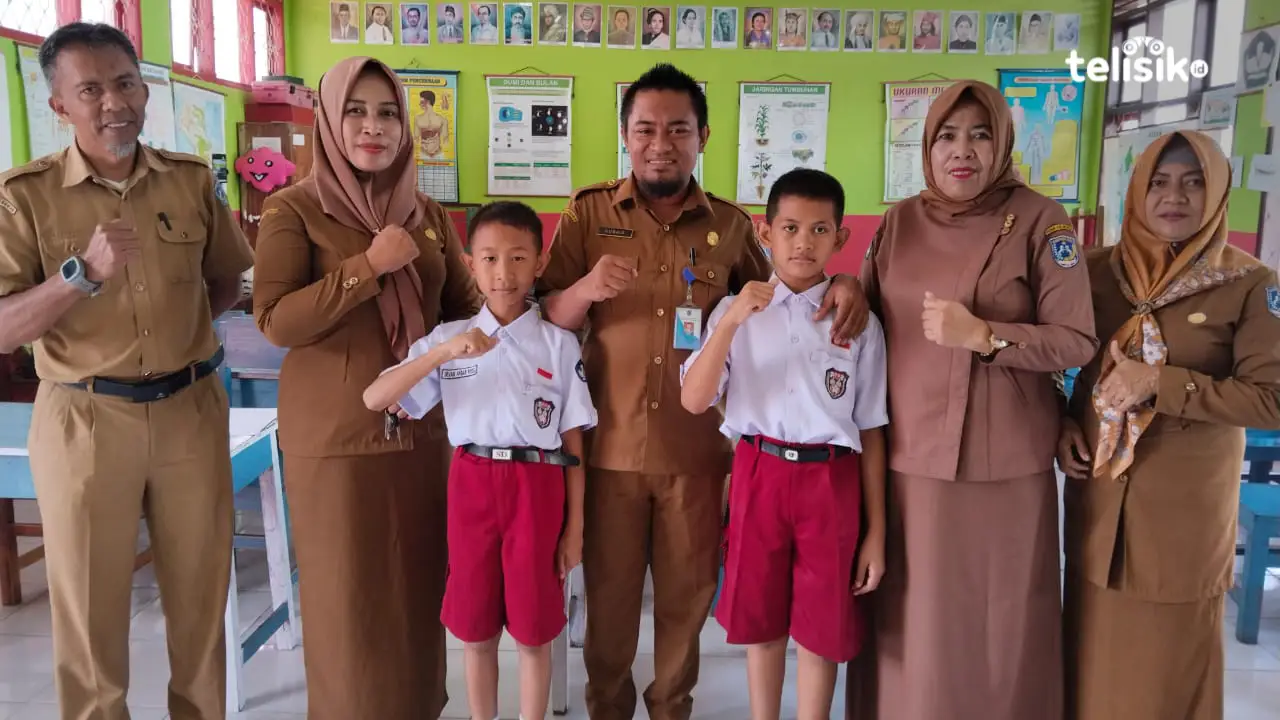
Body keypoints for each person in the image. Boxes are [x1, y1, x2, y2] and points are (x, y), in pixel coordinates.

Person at [538, 62, 869, 720]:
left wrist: (847, 285)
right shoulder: (588, 213)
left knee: (686, 607)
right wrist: (583, 290)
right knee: (607, 607)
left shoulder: (733, 226)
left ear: (703, 137)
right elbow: (546, 318)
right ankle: (608, 709)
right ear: (626, 136)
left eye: (678, 129)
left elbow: (783, 298)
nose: (661, 143)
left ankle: (671, 710)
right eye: (645, 129)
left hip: (698, 456)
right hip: (610, 449)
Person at [0, 22, 253, 719]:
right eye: (90, 89)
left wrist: (182, 336)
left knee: (202, 606)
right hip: (83, 421)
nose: (114, 102)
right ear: (59, 106)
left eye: (125, 83)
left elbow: (225, 283)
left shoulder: (191, 181)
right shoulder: (23, 197)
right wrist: (78, 276)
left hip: (189, 412)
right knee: (87, 619)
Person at [845, 79, 1097, 720]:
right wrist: (844, 289)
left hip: (1004, 465)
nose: (963, 152)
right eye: (948, 137)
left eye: (980, 135)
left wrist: (988, 337)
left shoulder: (1044, 219)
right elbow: (867, 322)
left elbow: (1076, 340)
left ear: (1003, 143)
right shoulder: (899, 222)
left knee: (999, 627)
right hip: (905, 459)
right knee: (913, 627)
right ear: (927, 146)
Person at [252, 56, 482, 720]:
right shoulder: (294, 209)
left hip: (421, 439)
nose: (373, 127)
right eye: (356, 111)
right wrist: (367, 268)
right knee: (348, 607)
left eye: (387, 112)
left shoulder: (429, 213)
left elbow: (464, 309)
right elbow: (275, 321)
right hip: (336, 445)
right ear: (328, 119)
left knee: (416, 597)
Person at [1059, 131, 1280, 720]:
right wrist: (1062, 425)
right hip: (1100, 508)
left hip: (1181, 518)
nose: (1174, 196)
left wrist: (1163, 383)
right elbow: (1068, 368)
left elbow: (1271, 400)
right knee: (1087, 667)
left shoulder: (1251, 284)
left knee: (1164, 681)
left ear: (1217, 192)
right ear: (1137, 190)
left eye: (1193, 181)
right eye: (1159, 181)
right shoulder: (1099, 273)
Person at [364, 201, 596, 720]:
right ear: (470, 265)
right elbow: (375, 398)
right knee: (475, 627)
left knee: (535, 629)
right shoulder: (450, 340)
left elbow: (575, 439)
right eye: (489, 258)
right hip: (471, 484)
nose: (503, 273)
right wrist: (441, 355)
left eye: (518, 258)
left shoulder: (558, 345)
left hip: (540, 484)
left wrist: (574, 527)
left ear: (539, 263)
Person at [681, 169, 887, 720]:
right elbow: (695, 400)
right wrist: (730, 323)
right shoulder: (736, 311)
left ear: (841, 240)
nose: (804, 242)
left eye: (821, 230)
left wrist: (877, 531)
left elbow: (870, 425)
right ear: (765, 232)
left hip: (832, 479)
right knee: (762, 623)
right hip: (758, 471)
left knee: (823, 629)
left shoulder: (857, 320)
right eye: (790, 227)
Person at [416, 90, 449, 159]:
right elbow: (415, 138)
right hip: (423, 154)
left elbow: (445, 139)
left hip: (438, 154)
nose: (419, 104)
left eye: (421, 102)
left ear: (428, 102)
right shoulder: (417, 118)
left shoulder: (442, 119)